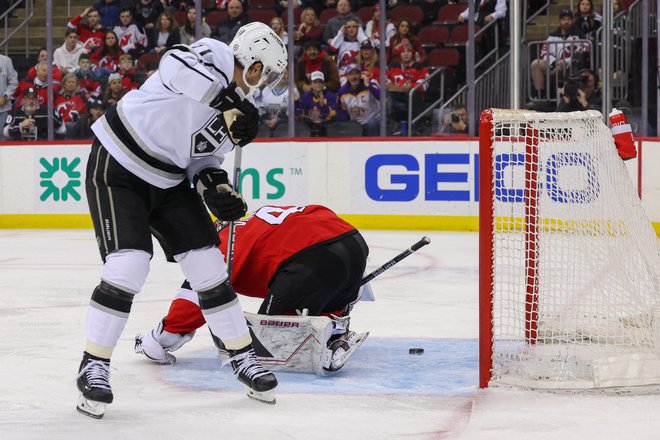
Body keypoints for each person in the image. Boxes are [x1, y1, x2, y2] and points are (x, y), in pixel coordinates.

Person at [75, 22, 287, 418]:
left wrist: (217, 191)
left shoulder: (238, 112)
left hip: (169, 178)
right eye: (268, 73)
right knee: (129, 264)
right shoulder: (216, 56)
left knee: (209, 266)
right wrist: (227, 102)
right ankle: (94, 364)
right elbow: (173, 64)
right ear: (256, 65)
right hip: (119, 163)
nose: (264, 82)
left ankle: (241, 355)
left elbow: (202, 159)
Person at [134, 204, 370, 374]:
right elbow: (317, 213)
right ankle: (335, 324)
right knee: (321, 285)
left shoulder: (222, 244)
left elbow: (197, 297)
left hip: (312, 262)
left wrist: (158, 339)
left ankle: (323, 343)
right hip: (352, 242)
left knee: (271, 342)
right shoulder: (251, 224)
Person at [529, 9, 589, 101]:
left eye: (569, 19)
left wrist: (567, 61)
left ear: (572, 20)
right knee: (535, 64)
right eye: (564, 19)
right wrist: (554, 62)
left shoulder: (579, 36)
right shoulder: (551, 36)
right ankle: (540, 96)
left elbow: (583, 51)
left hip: (571, 67)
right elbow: (545, 52)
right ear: (560, 21)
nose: (566, 22)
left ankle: (552, 89)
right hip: (553, 65)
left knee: (562, 64)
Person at [386, 42, 428, 133]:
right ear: (399, 54)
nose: (406, 54)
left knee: (412, 95)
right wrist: (390, 86)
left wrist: (411, 87)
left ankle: (416, 126)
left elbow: (425, 84)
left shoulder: (419, 67)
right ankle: (392, 124)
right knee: (385, 95)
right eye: (403, 52)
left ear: (412, 53)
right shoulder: (393, 66)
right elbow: (386, 80)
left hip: (413, 96)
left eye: (408, 51)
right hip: (396, 95)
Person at [336, 63, 380, 136]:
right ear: (347, 76)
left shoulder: (370, 85)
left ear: (361, 75)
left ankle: (374, 146)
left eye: (356, 74)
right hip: (355, 124)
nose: (354, 77)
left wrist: (369, 85)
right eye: (351, 74)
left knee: (372, 123)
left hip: (372, 121)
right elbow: (341, 111)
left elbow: (381, 97)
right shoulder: (342, 92)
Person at [255, 69, 299, 138]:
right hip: (266, 124)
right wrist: (265, 119)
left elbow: (291, 111)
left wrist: (278, 119)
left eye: (286, 73)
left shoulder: (292, 90)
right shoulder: (266, 90)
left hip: (284, 125)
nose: (284, 75)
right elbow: (261, 108)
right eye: (281, 73)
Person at [297, 71, 337, 137]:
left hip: (326, 128)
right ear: (311, 84)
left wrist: (322, 106)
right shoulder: (306, 96)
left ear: (324, 84)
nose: (318, 84)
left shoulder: (330, 96)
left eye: (320, 82)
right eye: (315, 82)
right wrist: (296, 102)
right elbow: (300, 113)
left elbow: (332, 116)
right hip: (309, 128)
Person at [329, 17, 368, 84]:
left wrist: (361, 34)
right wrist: (340, 32)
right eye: (349, 27)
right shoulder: (341, 41)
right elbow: (332, 48)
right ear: (345, 29)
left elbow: (368, 46)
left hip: (359, 71)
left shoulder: (362, 41)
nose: (351, 29)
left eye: (354, 27)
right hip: (343, 71)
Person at [0, 53, 18, 140]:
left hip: (3, 109)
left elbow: (13, 82)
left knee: (4, 138)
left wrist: (6, 96)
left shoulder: (6, 61)